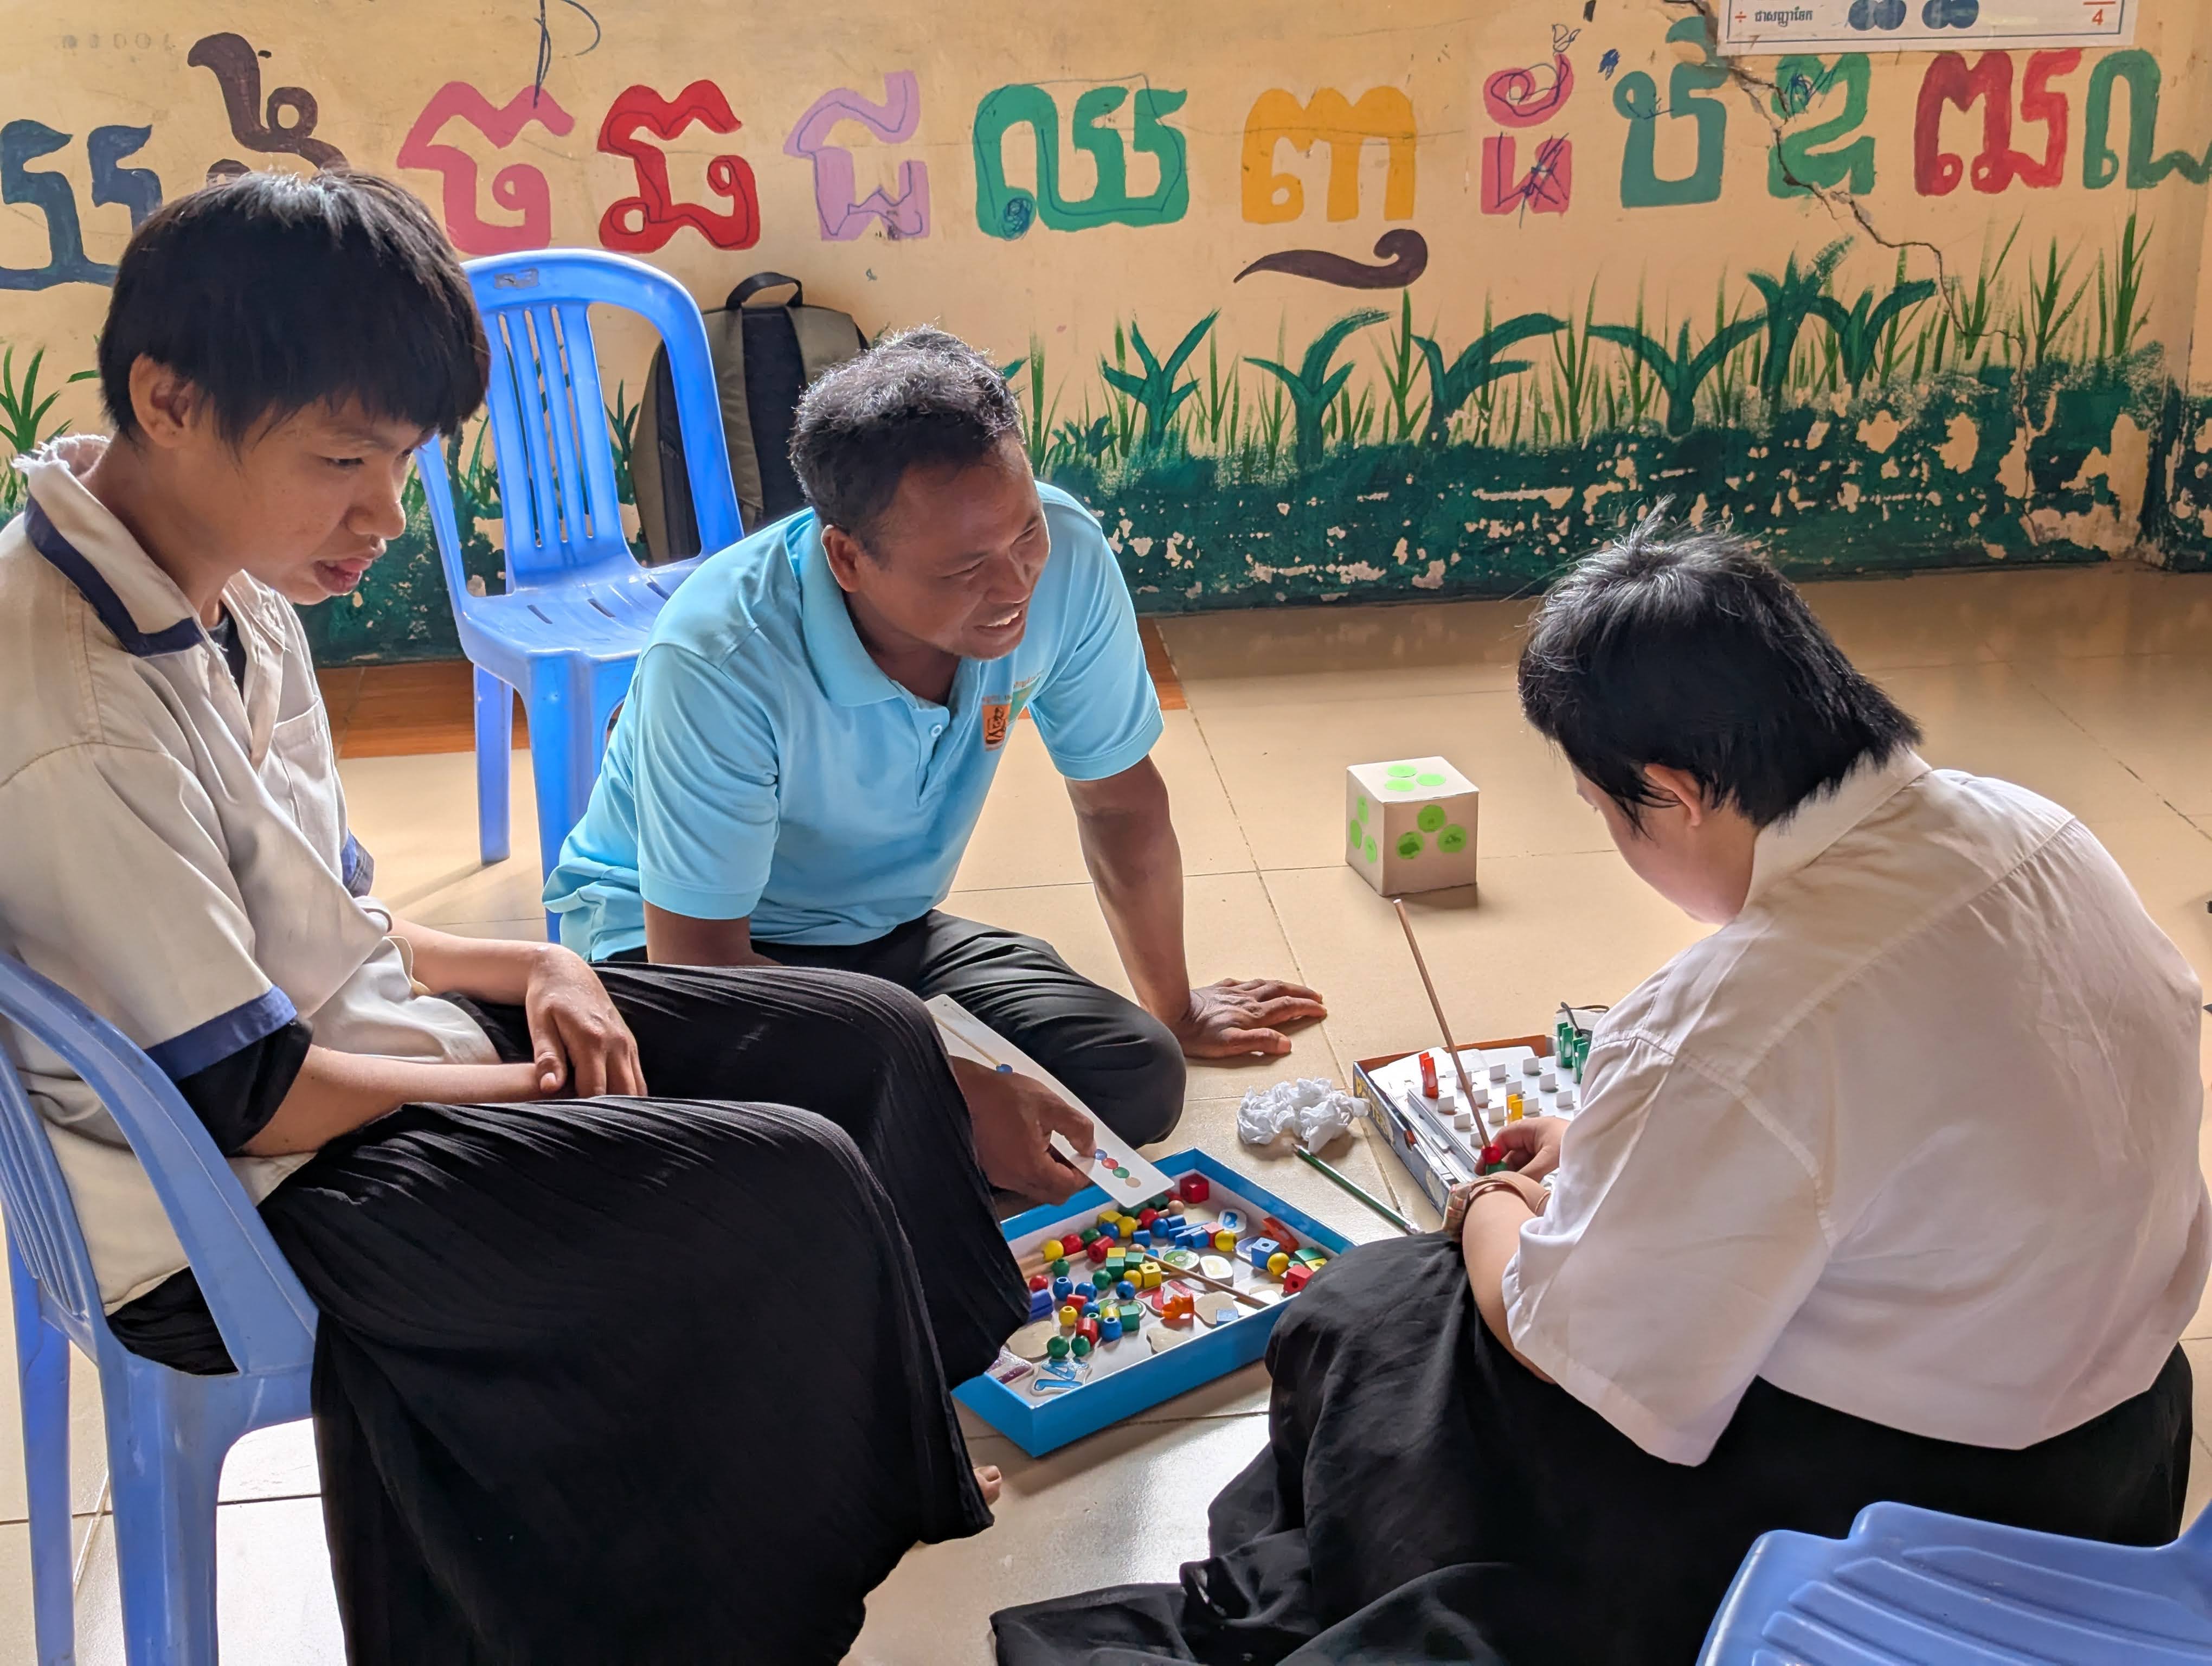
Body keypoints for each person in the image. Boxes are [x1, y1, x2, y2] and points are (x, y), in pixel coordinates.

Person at [0, 170, 1041, 1665]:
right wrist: (522, 1082)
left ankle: (889, 1445)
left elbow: (333, 921)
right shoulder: (77, 702)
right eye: (343, 461)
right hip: (242, 1202)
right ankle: (777, 1551)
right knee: (787, 1186)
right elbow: (250, 1094)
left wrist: (546, 960)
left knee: (871, 1038)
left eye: (405, 463)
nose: (383, 517)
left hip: (330, 1057)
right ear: (167, 401)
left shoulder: (230, 588)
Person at [994, 512, 2209, 1666]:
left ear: (1671, 792)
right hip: (2122, 1451)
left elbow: (1568, 1347)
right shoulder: (2036, 830)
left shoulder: (1739, 1016)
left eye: (1604, 809)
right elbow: (1913, 1119)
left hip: (1893, 1503)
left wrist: (1484, 1210)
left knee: (1375, 1310)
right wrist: (1600, 1138)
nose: (1614, 841)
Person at [543, 327, 1326, 1155]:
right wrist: (944, 1075)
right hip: (682, 959)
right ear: (847, 557)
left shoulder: (1066, 558)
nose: (1016, 583)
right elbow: (700, 959)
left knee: (1134, 1075)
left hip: (882, 935)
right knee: (787, 1142)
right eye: (963, 569)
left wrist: (1174, 1006)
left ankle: (893, 1151)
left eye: (1024, 532)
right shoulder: (721, 654)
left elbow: (1120, 804)